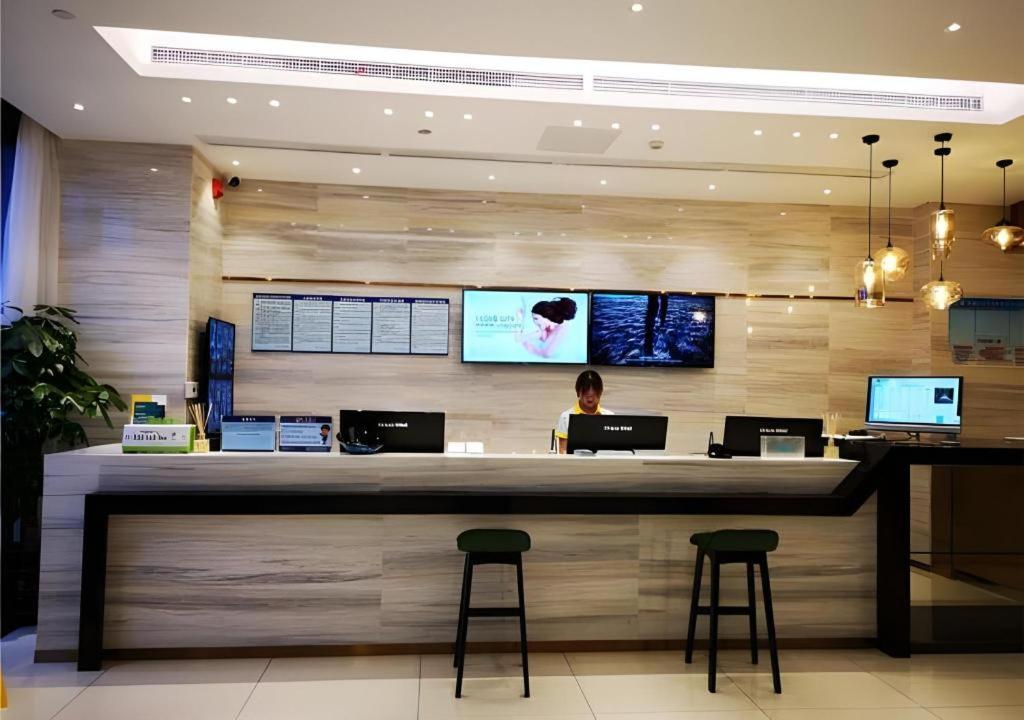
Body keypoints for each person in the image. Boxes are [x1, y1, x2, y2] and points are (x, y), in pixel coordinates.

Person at [554, 370, 614, 454]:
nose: (590, 399)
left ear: (601, 392)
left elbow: (613, 451)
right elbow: (562, 452)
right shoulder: (566, 417)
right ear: (578, 392)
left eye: (594, 395)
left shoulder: (610, 416)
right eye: (587, 395)